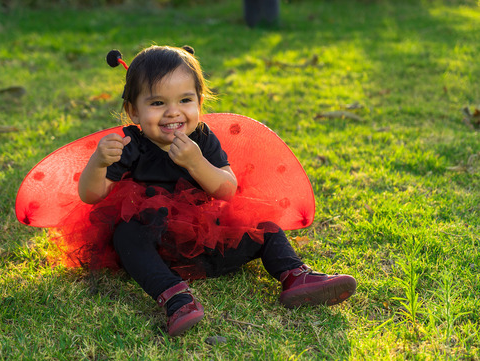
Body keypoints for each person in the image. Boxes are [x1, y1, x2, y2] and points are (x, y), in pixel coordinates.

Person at [77, 45, 357, 337]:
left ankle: (294, 275)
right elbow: (91, 195)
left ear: (199, 102)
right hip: (157, 247)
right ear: (133, 110)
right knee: (126, 234)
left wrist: (196, 162)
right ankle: (175, 297)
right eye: (158, 103)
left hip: (207, 244)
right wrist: (98, 163)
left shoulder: (203, 138)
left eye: (185, 100)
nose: (174, 112)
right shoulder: (130, 144)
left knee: (261, 224)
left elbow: (227, 189)